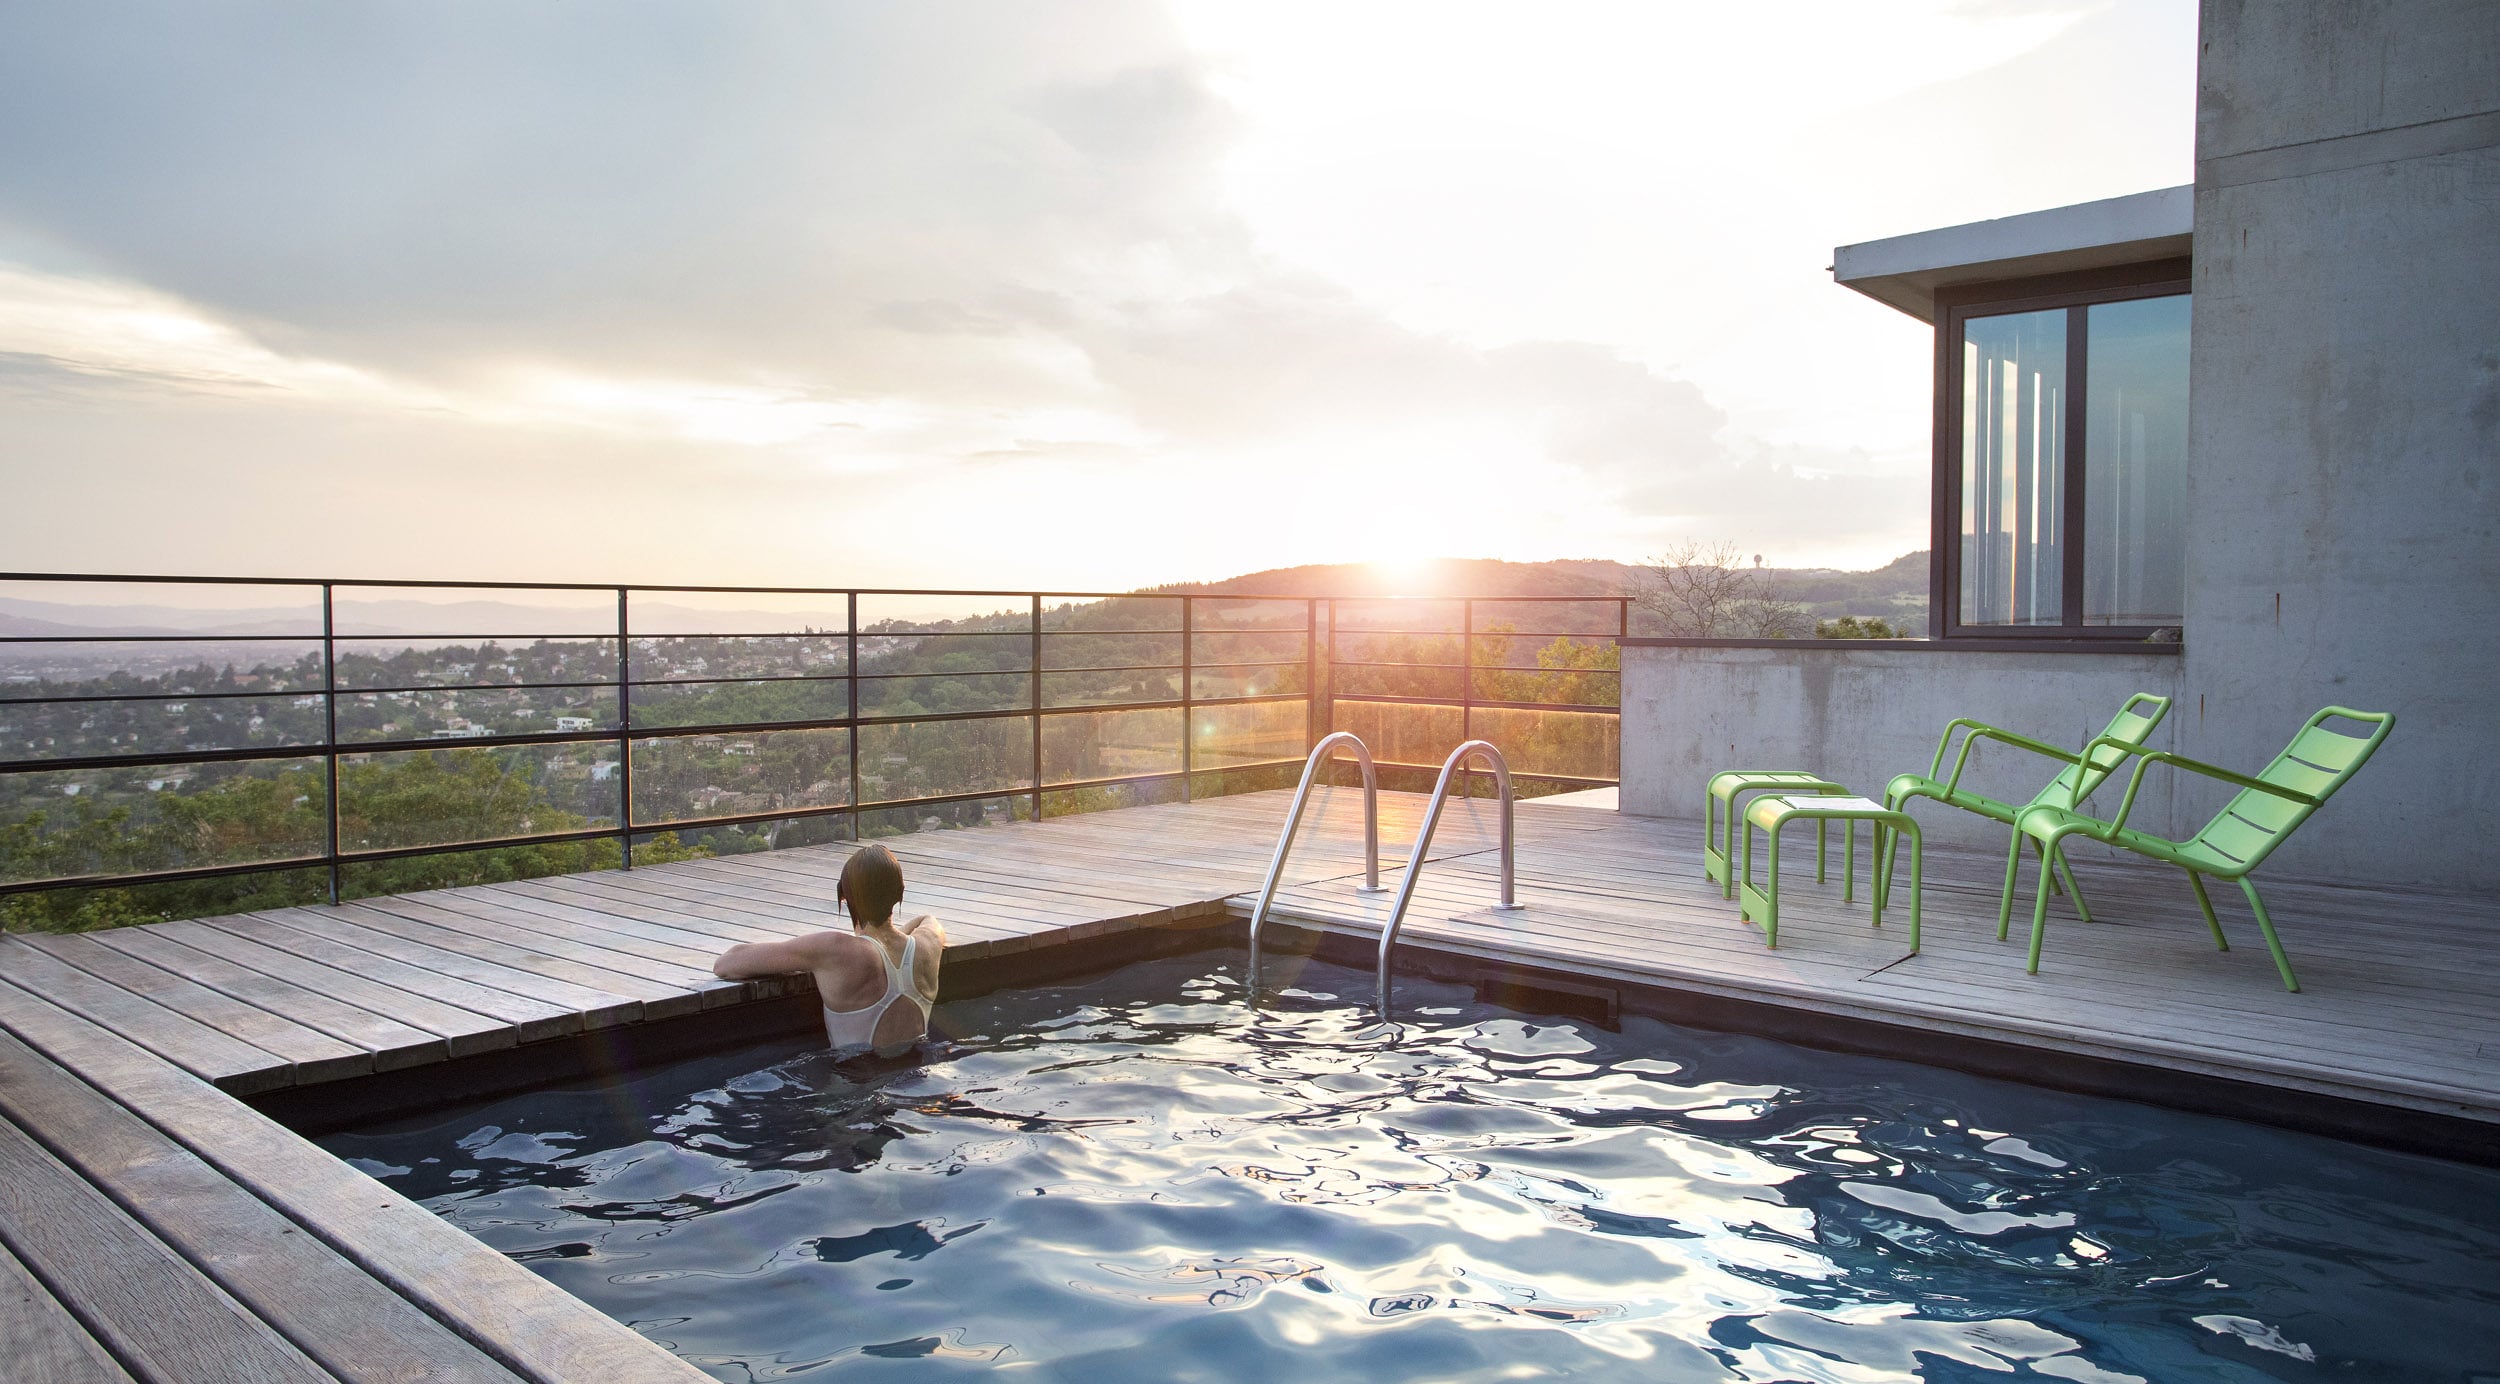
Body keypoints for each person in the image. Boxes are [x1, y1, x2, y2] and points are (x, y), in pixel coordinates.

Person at [711, 843, 943, 1058]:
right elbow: (927, 919)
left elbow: (726, 965)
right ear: (900, 892)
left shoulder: (835, 950)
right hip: (919, 1077)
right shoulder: (927, 944)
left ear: (844, 897)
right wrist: (891, 936)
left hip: (856, 1087)